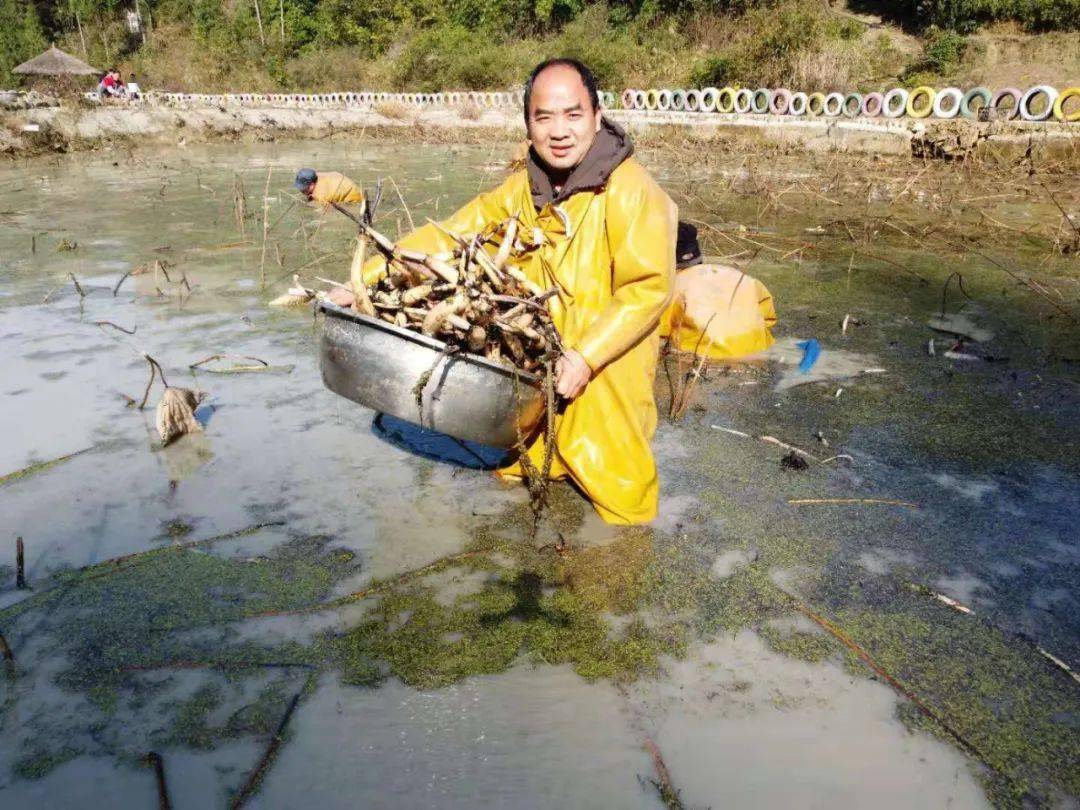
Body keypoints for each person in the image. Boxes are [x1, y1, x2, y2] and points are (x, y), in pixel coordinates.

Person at [329, 58, 676, 525]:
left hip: (604, 382)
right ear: (528, 124)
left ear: (597, 115)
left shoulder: (632, 191)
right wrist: (365, 281)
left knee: (624, 513)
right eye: (543, 117)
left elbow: (647, 288)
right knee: (516, 491)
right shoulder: (518, 192)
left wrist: (587, 356)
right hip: (535, 384)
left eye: (573, 115)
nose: (559, 131)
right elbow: (450, 237)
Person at [659, 222, 777, 359]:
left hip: (707, 357)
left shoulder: (669, 289)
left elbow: (660, 331)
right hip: (761, 350)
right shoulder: (743, 279)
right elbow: (769, 319)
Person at [294, 168, 364, 205]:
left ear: (312, 185)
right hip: (345, 185)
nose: (301, 191)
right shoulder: (315, 176)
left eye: (303, 188)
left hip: (355, 199)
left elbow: (327, 212)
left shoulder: (320, 195)